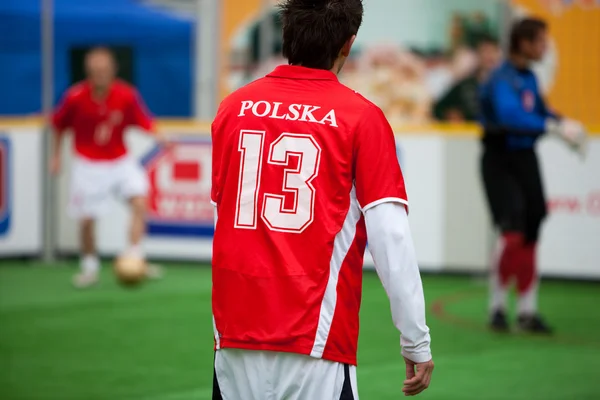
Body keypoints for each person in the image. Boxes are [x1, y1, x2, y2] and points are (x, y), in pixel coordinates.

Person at [210, 0, 433, 399]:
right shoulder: (362, 119)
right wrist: (415, 339)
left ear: (286, 36)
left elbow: (221, 215)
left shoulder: (232, 109)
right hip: (315, 342)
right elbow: (391, 236)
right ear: (348, 44)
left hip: (233, 340)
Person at [479, 18, 586, 333]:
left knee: (532, 226)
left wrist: (564, 124)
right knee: (511, 230)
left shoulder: (529, 78)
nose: (544, 48)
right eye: (540, 41)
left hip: (525, 158)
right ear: (523, 43)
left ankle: (527, 310)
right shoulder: (501, 78)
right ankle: (497, 306)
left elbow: (539, 111)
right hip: (500, 159)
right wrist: (552, 128)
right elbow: (511, 115)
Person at [51, 47, 165, 288]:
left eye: (104, 69)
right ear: (88, 71)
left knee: (140, 202)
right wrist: (56, 156)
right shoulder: (75, 97)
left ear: (113, 69)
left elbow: (143, 119)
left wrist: (159, 136)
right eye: (95, 69)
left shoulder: (126, 95)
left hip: (119, 160)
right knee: (86, 220)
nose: (100, 73)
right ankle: (89, 268)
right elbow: (59, 125)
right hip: (88, 164)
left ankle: (135, 257)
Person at [434, 36, 501, 122]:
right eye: (485, 51)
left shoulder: (505, 84)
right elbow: (439, 109)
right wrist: (451, 115)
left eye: (493, 51)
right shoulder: (466, 85)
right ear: (477, 55)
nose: (489, 56)